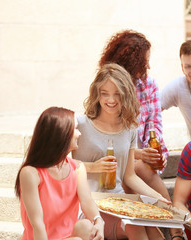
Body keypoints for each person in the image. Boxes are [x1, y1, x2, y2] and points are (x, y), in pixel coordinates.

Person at [72, 63, 167, 240]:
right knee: (137, 225)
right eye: (105, 93)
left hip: (118, 202)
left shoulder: (130, 128)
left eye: (117, 94)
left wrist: (157, 197)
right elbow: (62, 165)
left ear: (126, 94)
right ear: (96, 93)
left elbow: (129, 176)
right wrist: (93, 167)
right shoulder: (80, 125)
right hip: (90, 204)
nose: (111, 100)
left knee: (152, 229)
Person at [98, 30, 170, 202]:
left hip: (142, 160)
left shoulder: (149, 84)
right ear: (131, 62)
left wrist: (156, 152)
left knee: (141, 169)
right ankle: (173, 220)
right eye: (144, 61)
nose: (148, 67)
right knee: (136, 171)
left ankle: (168, 221)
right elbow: (105, 137)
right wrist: (138, 154)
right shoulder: (108, 89)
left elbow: (154, 123)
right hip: (118, 160)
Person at [14, 107, 104, 240]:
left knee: (86, 226)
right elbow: (37, 224)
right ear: (62, 133)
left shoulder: (77, 168)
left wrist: (99, 221)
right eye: (75, 129)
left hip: (68, 237)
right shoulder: (31, 173)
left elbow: (87, 201)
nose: (79, 133)